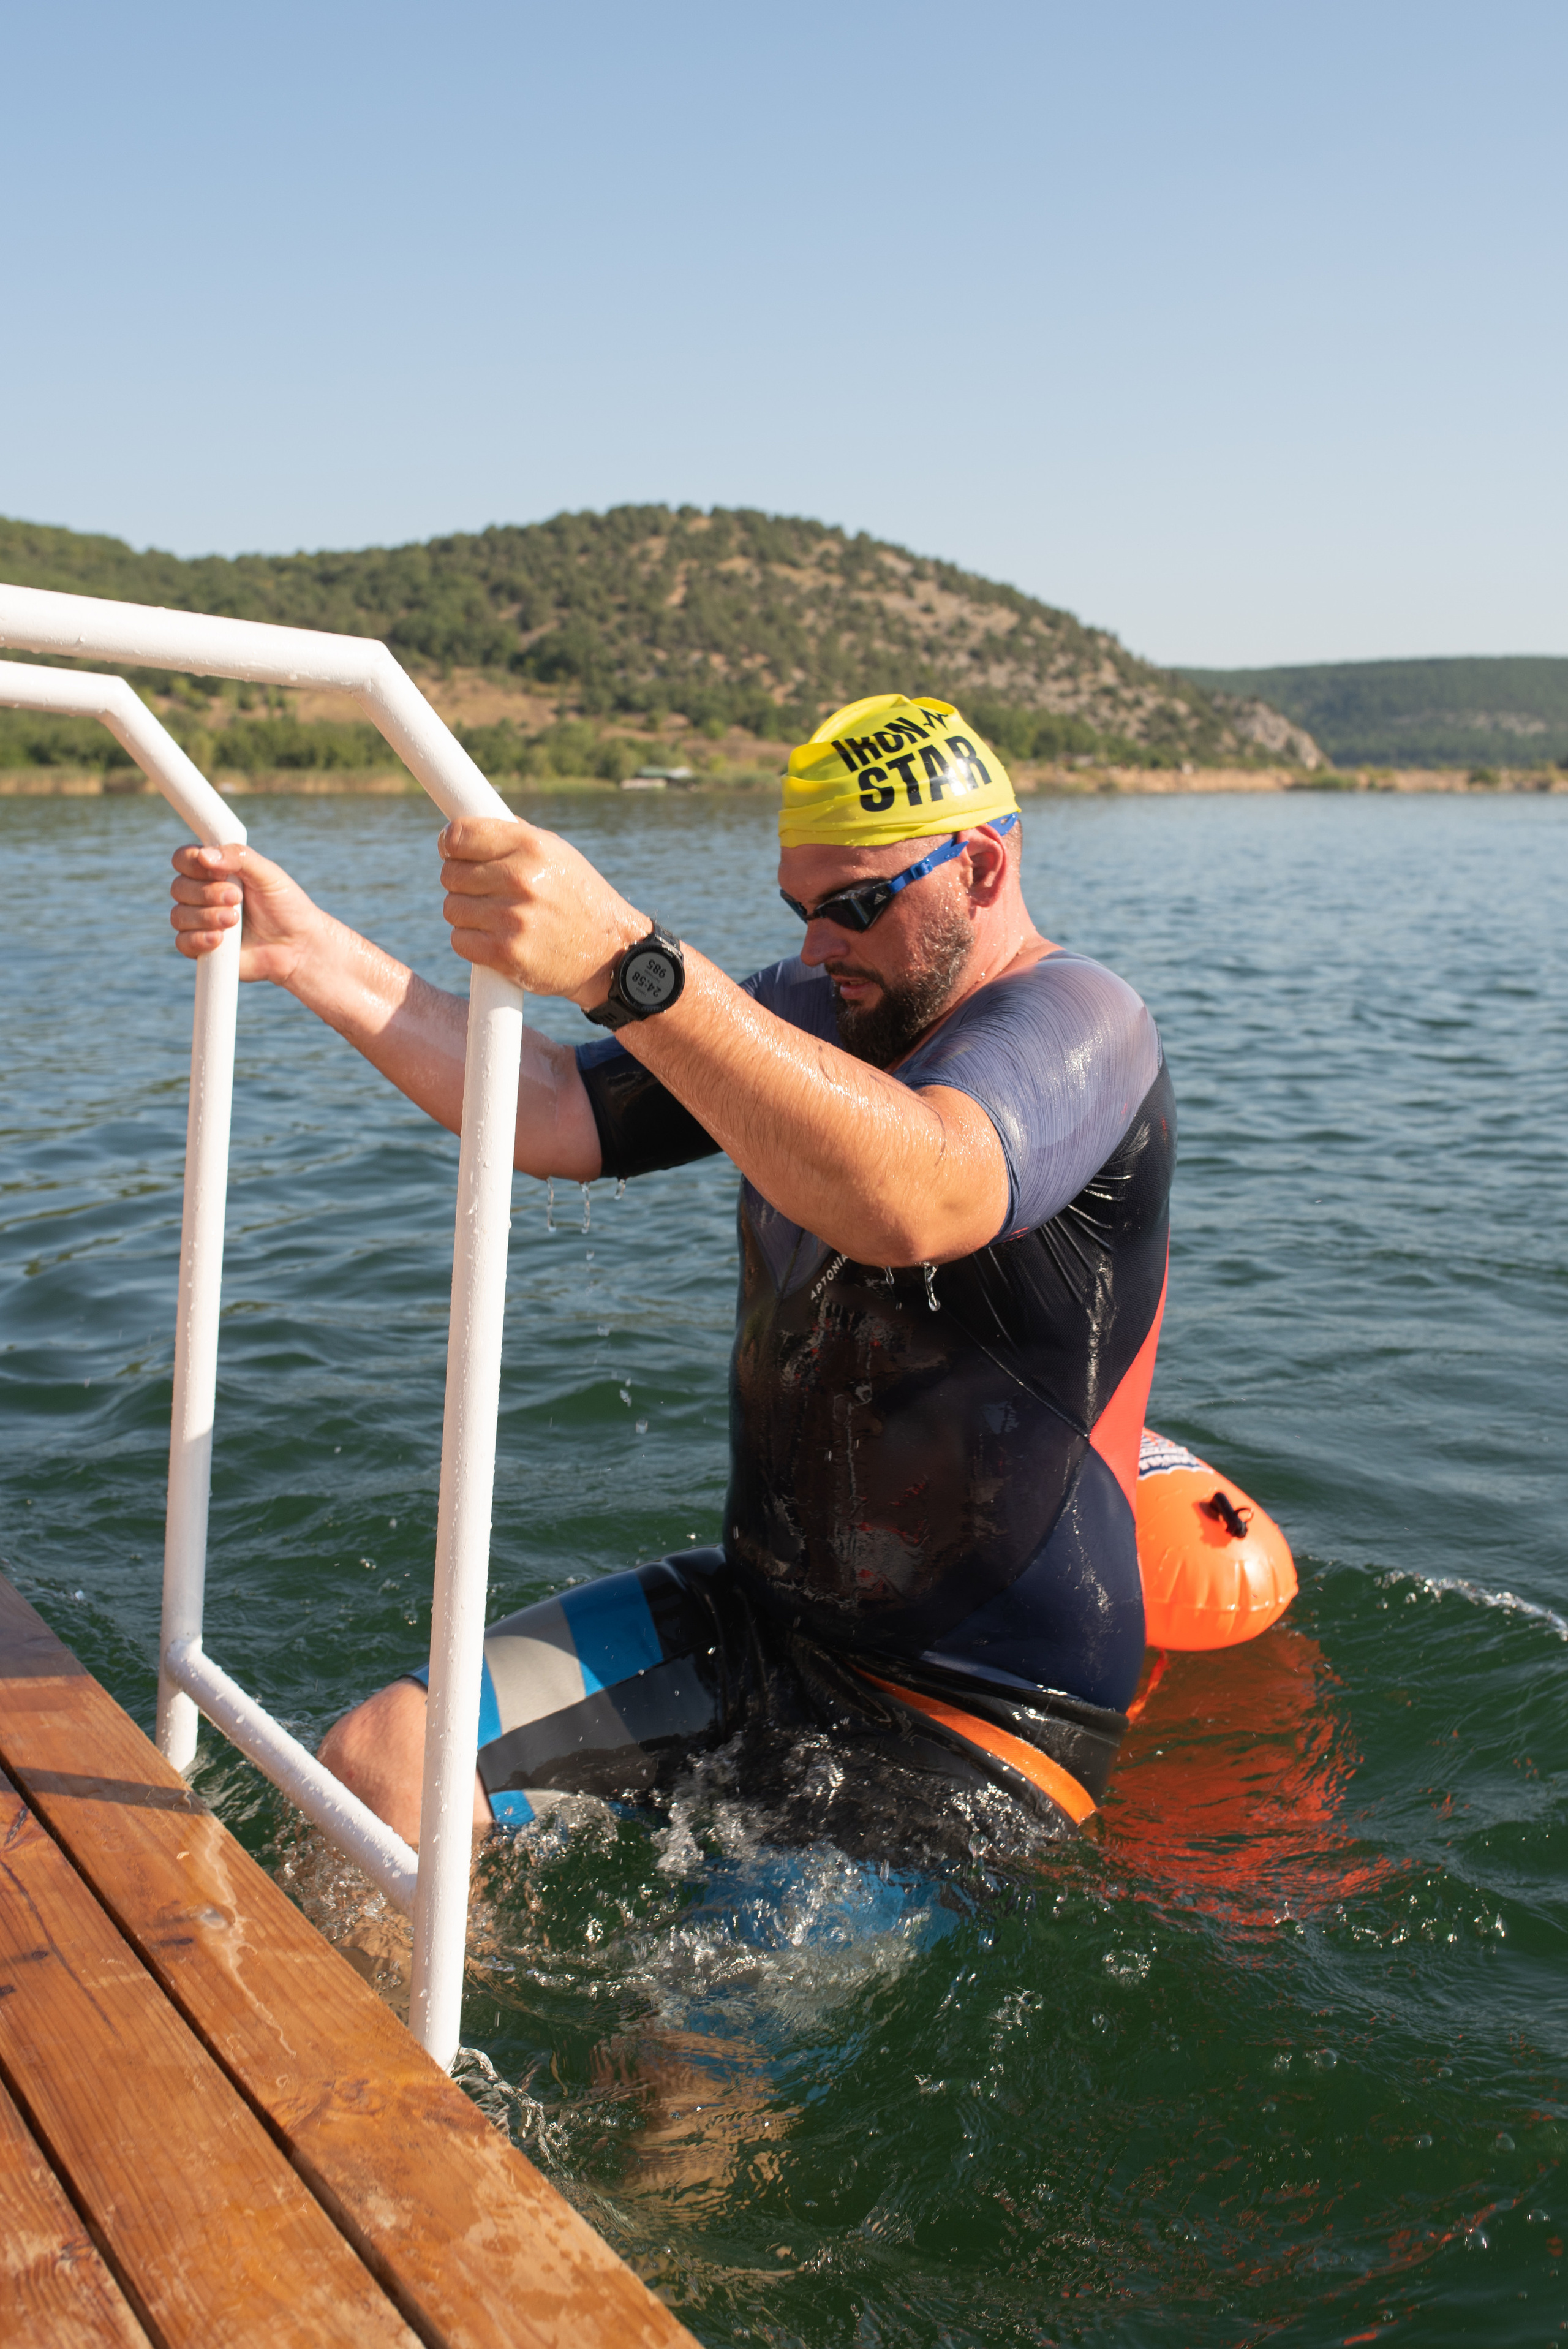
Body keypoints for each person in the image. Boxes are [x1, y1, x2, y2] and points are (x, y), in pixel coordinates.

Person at [170, 694, 1174, 1862]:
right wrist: (310, 953)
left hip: (980, 1709)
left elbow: (921, 1191)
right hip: (761, 1618)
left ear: (985, 865)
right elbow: (551, 1108)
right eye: (799, 910)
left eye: (853, 906)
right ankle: (431, 2054)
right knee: (382, 1767)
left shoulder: (1084, 1024)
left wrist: (625, 965)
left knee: (691, 2044)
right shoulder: (815, 1008)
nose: (816, 948)